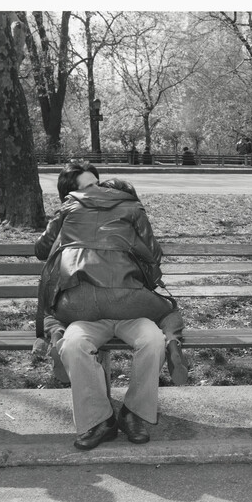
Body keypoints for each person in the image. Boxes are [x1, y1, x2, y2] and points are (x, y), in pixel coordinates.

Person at [35, 161, 187, 451]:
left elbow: (42, 251)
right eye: (89, 186)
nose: (98, 190)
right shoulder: (117, 207)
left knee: (151, 340)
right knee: (74, 344)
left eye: (98, 183)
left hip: (100, 306)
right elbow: (154, 258)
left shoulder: (81, 208)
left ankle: (133, 414)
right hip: (114, 304)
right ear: (72, 193)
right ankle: (100, 421)